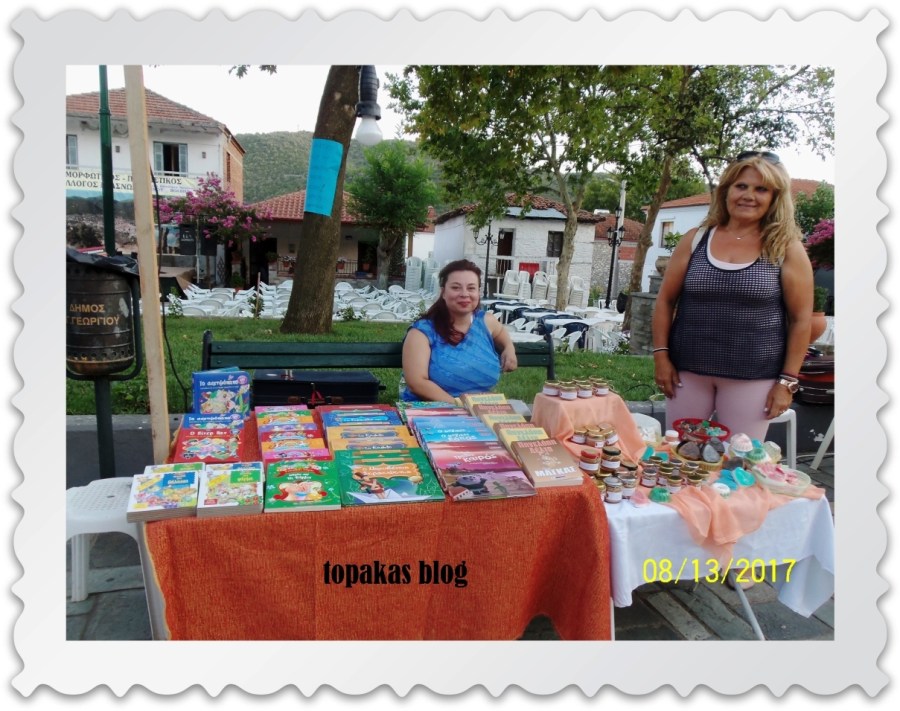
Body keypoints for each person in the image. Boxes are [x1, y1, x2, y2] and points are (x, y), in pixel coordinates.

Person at [651, 150, 814, 443]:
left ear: (774, 197)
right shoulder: (696, 239)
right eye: (741, 186)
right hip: (687, 373)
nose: (749, 195)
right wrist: (661, 357)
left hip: (753, 377)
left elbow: (802, 319)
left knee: (738, 462)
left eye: (761, 189)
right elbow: (665, 301)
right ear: (726, 191)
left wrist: (787, 381)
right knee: (680, 456)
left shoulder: (785, 247)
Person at [401, 259, 517, 403]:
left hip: (482, 408)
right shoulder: (422, 332)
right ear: (443, 292)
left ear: (478, 292)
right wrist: (461, 406)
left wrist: (509, 348)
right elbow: (417, 383)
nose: (464, 294)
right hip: (432, 410)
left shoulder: (486, 321)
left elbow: (500, 333)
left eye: (471, 288)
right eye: (456, 288)